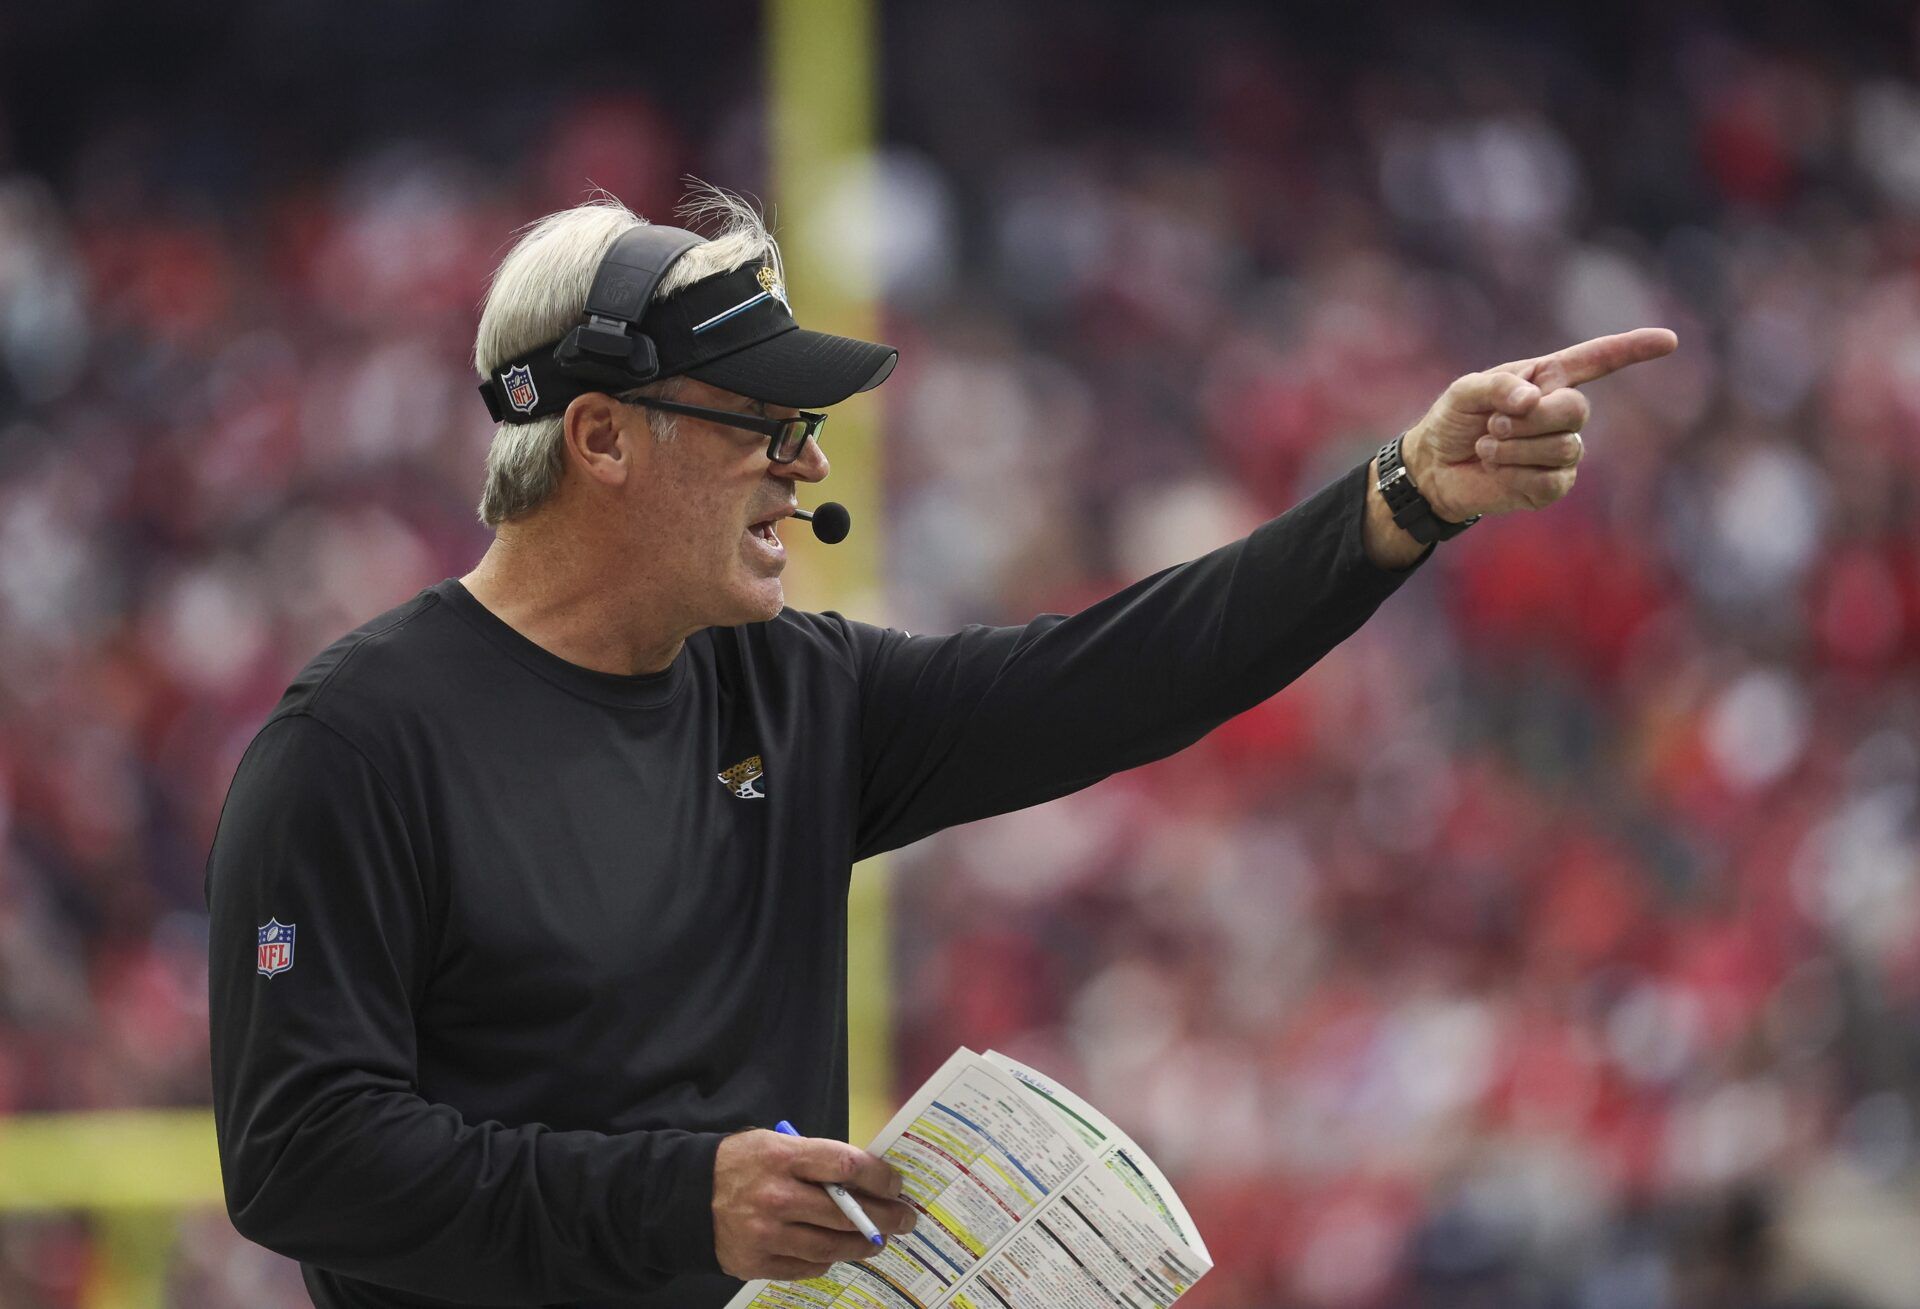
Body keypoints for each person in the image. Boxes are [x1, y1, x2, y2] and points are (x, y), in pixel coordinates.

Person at [203, 186, 1676, 1309]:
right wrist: (677, 1201)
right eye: (764, 421)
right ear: (599, 439)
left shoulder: (791, 692)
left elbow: (1120, 676)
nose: (810, 463)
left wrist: (1406, 494)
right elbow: (297, 1157)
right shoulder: (357, 741)